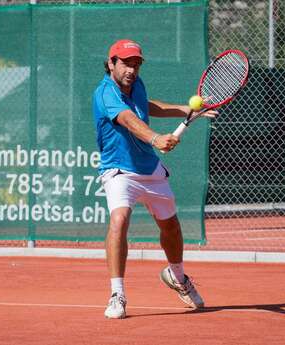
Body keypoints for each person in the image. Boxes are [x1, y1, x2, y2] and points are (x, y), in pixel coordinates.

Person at [92, 39, 216, 319]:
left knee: (171, 227)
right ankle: (117, 293)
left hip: (149, 168)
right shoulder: (104, 92)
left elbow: (147, 107)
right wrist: (155, 138)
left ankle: (178, 277)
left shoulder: (136, 85)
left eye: (136, 64)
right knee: (119, 220)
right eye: (125, 64)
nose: (132, 70)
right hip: (119, 170)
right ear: (111, 63)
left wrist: (186, 110)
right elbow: (126, 119)